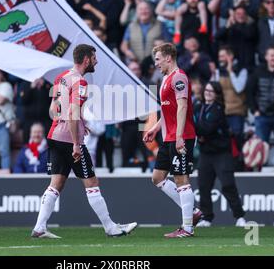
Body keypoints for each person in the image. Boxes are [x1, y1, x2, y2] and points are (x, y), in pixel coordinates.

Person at [32, 44, 137, 239]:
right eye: (94, 58)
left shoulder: (61, 77)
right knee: (92, 183)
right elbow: (71, 112)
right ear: (87, 59)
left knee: (56, 183)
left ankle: (39, 227)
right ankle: (110, 227)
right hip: (69, 140)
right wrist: (75, 142)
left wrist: (80, 122)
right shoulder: (80, 83)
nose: (96, 61)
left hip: (54, 135)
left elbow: (53, 110)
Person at [143, 43, 202, 238]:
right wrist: (155, 127)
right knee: (157, 178)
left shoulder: (179, 77)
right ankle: (193, 213)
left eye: (158, 59)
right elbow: (169, 110)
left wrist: (179, 137)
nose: (156, 63)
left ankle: (187, 228)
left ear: (169, 58)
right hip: (168, 137)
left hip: (181, 136)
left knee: (181, 179)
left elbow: (182, 107)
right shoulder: (167, 78)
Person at [193, 81, 246, 227]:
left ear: (217, 94)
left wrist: (199, 132)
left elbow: (206, 129)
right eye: (206, 90)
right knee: (203, 186)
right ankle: (207, 217)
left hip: (221, 153)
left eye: (211, 91)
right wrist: (199, 132)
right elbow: (193, 125)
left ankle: (239, 217)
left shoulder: (218, 109)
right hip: (206, 153)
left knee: (228, 185)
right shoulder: (198, 107)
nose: (208, 93)